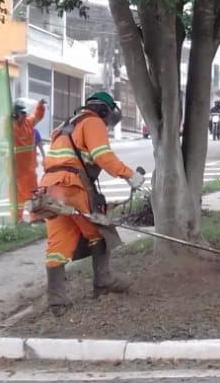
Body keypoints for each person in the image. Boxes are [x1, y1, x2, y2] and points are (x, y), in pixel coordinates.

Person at [38, 91, 146, 316]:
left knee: (59, 240)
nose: (107, 124)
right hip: (73, 184)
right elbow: (102, 155)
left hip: (50, 186)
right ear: (105, 111)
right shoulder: (93, 122)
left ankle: (57, 302)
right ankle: (103, 279)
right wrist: (128, 175)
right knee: (100, 227)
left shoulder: (64, 126)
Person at [9, 97, 46, 223]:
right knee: (17, 197)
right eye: (22, 114)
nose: (25, 116)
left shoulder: (28, 123)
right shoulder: (9, 128)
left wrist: (40, 106)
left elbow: (37, 116)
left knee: (32, 193)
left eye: (25, 113)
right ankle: (17, 220)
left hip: (29, 168)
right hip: (16, 170)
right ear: (14, 115)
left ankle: (34, 217)